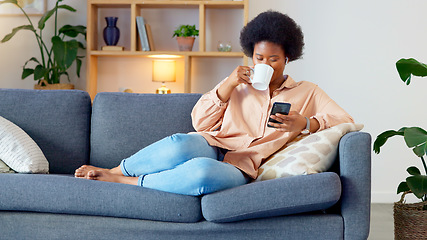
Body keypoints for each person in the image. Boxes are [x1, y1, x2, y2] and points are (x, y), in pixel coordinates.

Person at [75, 10, 353, 196]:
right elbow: (200, 122)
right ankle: (112, 170)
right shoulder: (238, 82)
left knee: (201, 174)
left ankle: (125, 182)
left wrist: (305, 123)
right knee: (180, 143)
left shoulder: (307, 91)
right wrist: (229, 84)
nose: (265, 64)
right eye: (259, 58)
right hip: (213, 145)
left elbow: (346, 121)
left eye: (273, 60)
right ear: (251, 55)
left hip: (241, 166)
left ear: (287, 58)